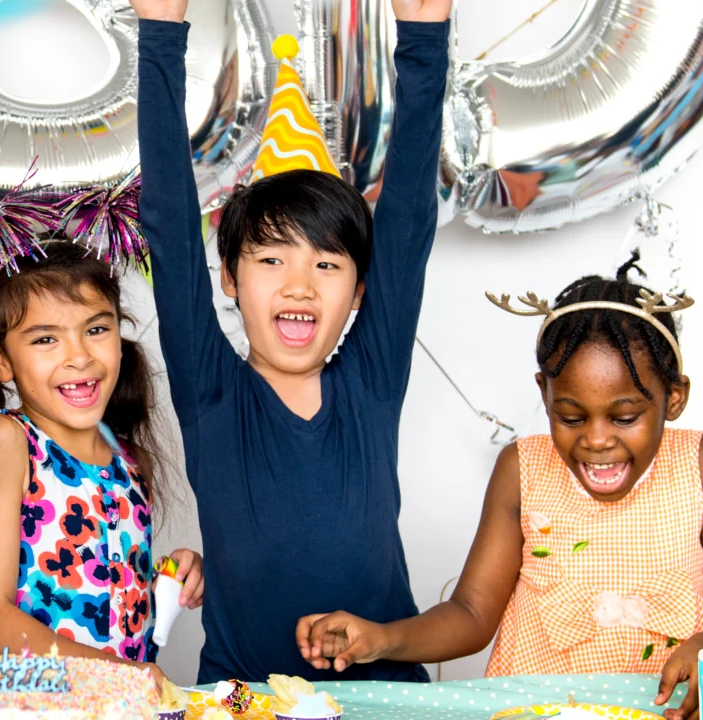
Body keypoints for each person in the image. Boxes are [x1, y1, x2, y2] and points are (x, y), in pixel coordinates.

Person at [132, 0, 452, 683]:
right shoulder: (212, 391)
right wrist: (160, 34)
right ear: (229, 279)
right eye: (272, 259)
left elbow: (407, 223)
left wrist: (424, 41)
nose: (300, 285)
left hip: (385, 697)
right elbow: (167, 221)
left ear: (361, 289)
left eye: (327, 264)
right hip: (244, 696)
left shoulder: (370, 380)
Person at [297, 257, 703, 720]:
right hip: (532, 710)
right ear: (544, 392)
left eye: (624, 417)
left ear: (674, 397)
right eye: (570, 416)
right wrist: (381, 638)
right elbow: (471, 612)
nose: (597, 439)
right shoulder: (521, 468)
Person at [0, 241, 205, 685]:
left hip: (118, 710)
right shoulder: (7, 441)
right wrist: (118, 675)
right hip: (26, 711)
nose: (80, 356)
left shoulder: (131, 460)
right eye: (46, 338)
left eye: (95, 329)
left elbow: (101, 582)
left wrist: (171, 575)